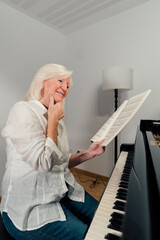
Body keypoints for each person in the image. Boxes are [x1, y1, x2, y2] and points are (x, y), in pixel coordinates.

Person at [1, 64, 105, 240]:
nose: (65, 88)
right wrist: (53, 121)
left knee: (104, 219)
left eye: (68, 86)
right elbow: (44, 163)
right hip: (31, 207)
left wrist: (88, 154)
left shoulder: (57, 121)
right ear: (42, 82)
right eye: (60, 81)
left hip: (62, 190)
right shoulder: (23, 111)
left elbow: (60, 162)